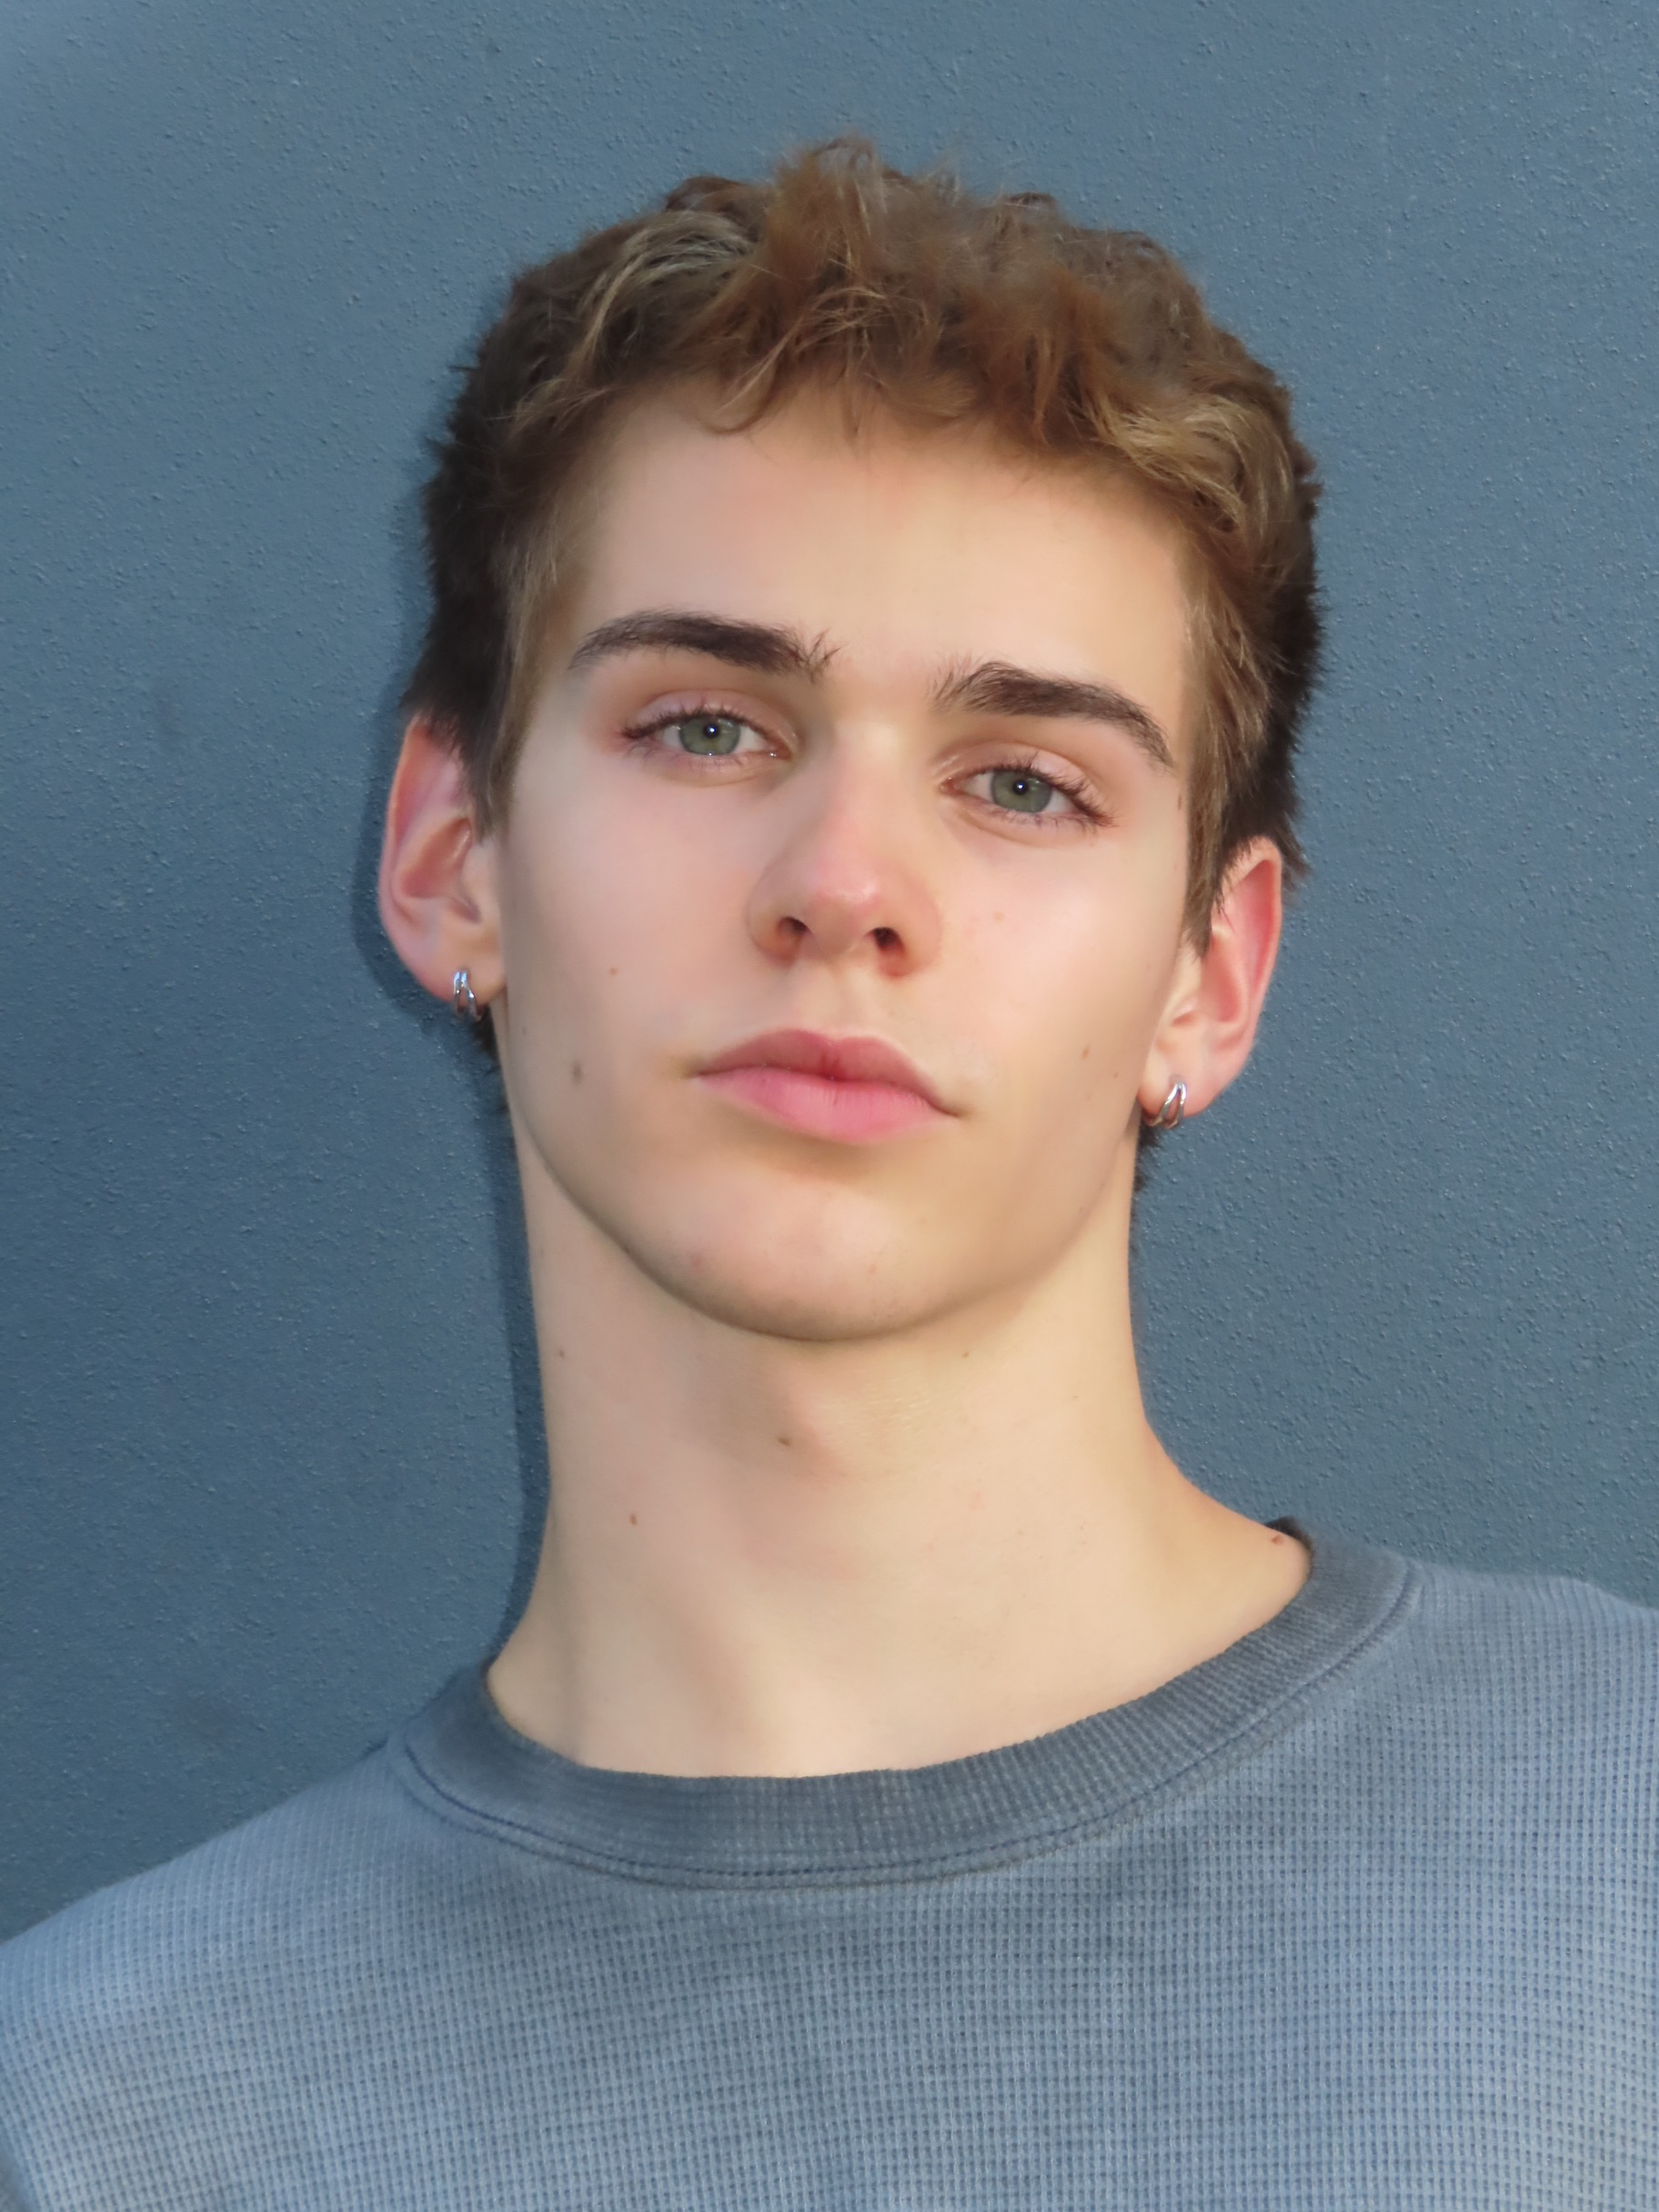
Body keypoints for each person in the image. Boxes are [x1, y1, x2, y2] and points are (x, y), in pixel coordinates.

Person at [1, 140, 1653, 2210]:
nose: (848, 885)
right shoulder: (105, 2119)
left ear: (1209, 976)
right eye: (708, 728)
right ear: (450, 855)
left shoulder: (1620, 1865)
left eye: (1024, 783)